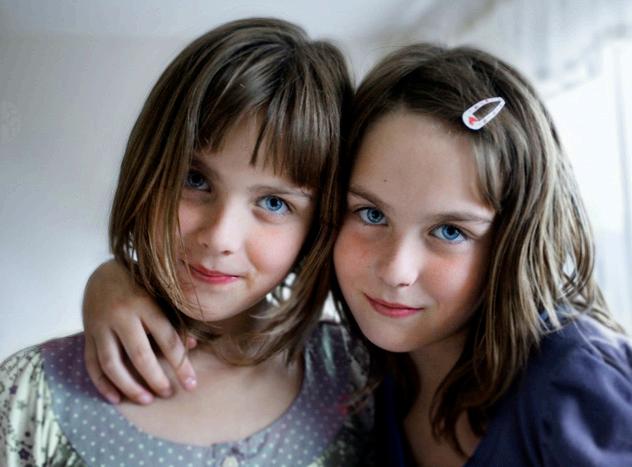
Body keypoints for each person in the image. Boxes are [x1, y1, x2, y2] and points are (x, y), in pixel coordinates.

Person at [80, 43, 632, 465]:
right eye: (370, 214)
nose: (395, 270)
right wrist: (118, 277)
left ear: (515, 240)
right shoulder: (367, 373)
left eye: (450, 231)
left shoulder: (576, 385)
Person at [0, 18, 374, 466]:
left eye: (274, 203)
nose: (219, 237)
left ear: (318, 224)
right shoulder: (33, 394)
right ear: (147, 169)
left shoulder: (360, 377)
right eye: (195, 180)